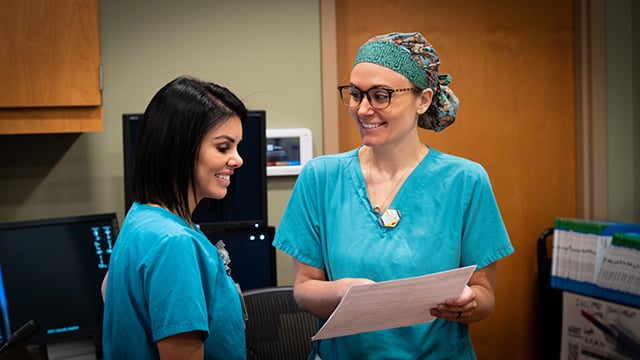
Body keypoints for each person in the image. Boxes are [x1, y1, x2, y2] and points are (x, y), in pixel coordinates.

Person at [272, 32, 515, 359]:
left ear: (423, 100)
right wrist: (346, 292)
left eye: (381, 95)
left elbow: (484, 297)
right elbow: (304, 290)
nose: (363, 109)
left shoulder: (464, 181)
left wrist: (468, 304)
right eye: (356, 94)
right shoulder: (321, 178)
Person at [102, 76, 248, 360]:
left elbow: (109, 291)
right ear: (180, 148)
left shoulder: (141, 217)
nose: (237, 159)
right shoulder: (174, 242)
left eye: (237, 147)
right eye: (223, 147)